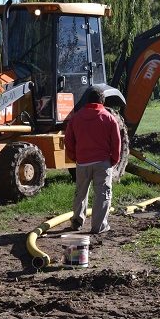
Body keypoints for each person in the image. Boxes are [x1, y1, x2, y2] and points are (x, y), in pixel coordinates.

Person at [65, 86, 121, 234]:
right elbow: (117, 143)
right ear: (102, 101)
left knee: (80, 193)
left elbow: (68, 140)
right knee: (102, 194)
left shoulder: (76, 118)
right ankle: (99, 226)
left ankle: (77, 222)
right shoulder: (109, 118)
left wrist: (74, 156)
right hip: (102, 162)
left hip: (82, 162)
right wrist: (113, 160)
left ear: (87, 101)